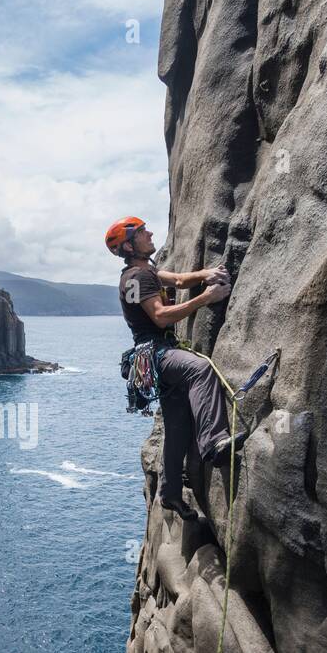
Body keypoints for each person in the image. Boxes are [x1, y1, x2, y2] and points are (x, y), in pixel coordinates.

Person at [106, 216, 244, 522]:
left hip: (153, 358)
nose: (150, 232)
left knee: (178, 425)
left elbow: (179, 280)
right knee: (200, 369)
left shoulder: (143, 272)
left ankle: (169, 494)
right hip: (157, 353)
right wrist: (208, 297)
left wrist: (206, 273)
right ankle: (214, 442)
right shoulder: (138, 278)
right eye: (142, 232)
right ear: (130, 245)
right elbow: (161, 317)